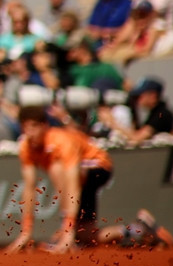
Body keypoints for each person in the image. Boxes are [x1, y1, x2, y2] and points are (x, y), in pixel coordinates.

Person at [7, 103, 113, 253]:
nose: (30, 133)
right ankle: (134, 230)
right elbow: (30, 187)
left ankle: (67, 231)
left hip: (98, 166)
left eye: (34, 127)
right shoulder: (26, 147)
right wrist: (26, 232)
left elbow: (72, 185)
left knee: (57, 168)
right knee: (86, 235)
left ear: (45, 126)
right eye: (25, 127)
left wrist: (67, 229)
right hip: (78, 178)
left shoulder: (61, 141)